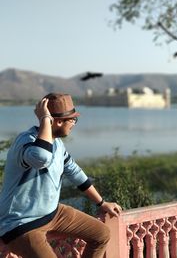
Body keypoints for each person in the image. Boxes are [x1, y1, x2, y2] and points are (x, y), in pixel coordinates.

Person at [0, 93, 122, 258]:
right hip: (21, 224)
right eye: (72, 120)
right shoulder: (26, 141)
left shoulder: (57, 144)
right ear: (57, 121)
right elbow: (41, 158)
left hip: (53, 213)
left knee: (101, 234)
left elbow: (75, 172)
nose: (73, 124)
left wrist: (101, 203)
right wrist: (44, 119)